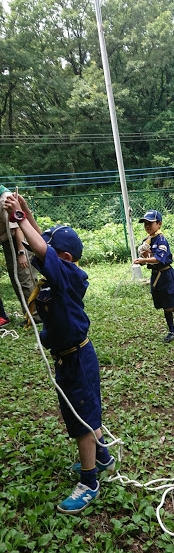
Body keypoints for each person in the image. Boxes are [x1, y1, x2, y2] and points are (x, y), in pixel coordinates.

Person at [4, 193, 115, 515]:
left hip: (77, 359)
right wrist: (25, 211)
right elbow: (44, 247)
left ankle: (89, 481)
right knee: (86, 411)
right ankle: (103, 457)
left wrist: (18, 217)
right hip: (70, 356)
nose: (45, 250)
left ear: (63, 257)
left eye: (52, 250)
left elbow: (40, 247)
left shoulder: (67, 275)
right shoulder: (61, 270)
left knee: (81, 421)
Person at [133, 209, 174, 343]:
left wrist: (144, 260)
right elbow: (149, 259)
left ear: (159, 224)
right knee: (163, 304)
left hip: (166, 275)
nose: (147, 226)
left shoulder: (161, 240)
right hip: (156, 276)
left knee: (171, 305)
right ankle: (172, 331)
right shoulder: (147, 240)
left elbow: (158, 259)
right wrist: (143, 257)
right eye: (145, 223)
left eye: (150, 223)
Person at [0, 184, 40, 324]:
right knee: (16, 278)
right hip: (6, 238)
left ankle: (36, 316)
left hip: (17, 239)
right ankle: (30, 314)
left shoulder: (6, 199)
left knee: (24, 277)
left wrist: (21, 252)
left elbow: (18, 227)